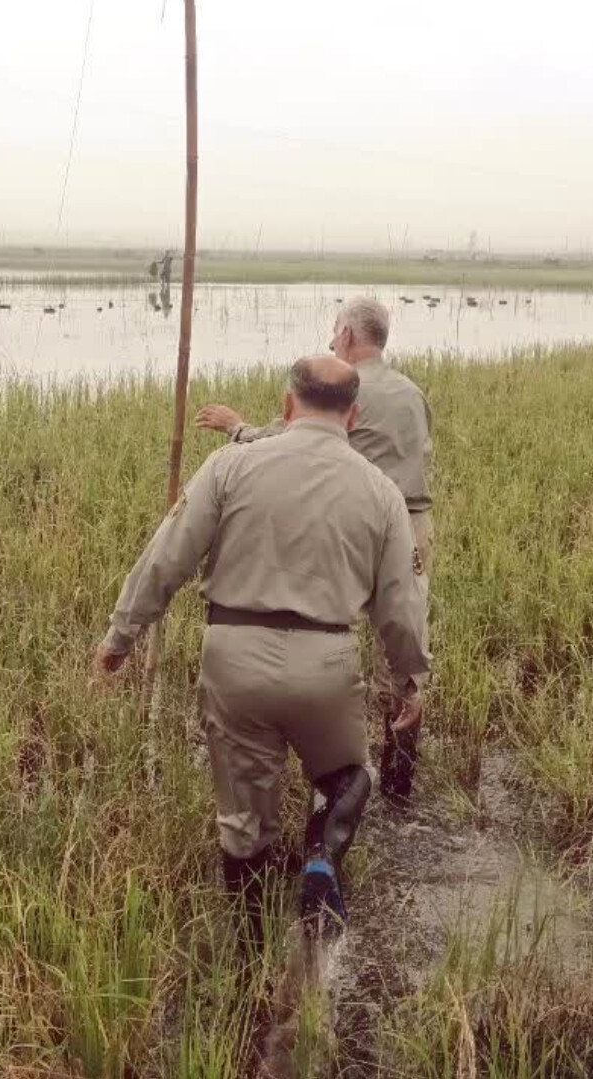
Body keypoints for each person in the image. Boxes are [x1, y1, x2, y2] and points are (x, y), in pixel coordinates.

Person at [94, 354, 430, 944]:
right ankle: (321, 857)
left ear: (286, 405)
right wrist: (410, 678)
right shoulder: (381, 492)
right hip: (327, 661)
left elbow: (166, 558)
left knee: (244, 824)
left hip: (235, 656)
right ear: (353, 415)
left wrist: (121, 636)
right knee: (347, 777)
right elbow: (400, 605)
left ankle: (251, 946)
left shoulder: (230, 465)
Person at [194, 296, 434, 805]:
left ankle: (328, 768)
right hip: (415, 525)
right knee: (401, 644)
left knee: (328, 628)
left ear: (347, 335)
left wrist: (237, 427)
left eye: (334, 331)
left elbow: (289, 440)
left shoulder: (347, 390)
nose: (330, 340)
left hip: (357, 522)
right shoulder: (412, 393)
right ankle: (399, 782)